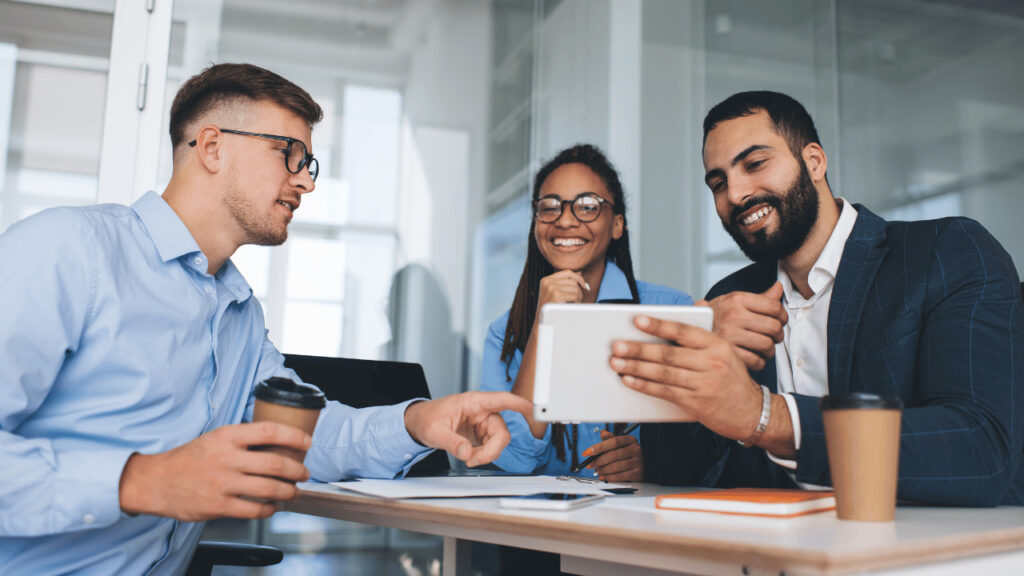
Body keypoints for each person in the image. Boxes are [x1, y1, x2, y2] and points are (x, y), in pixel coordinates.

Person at [0, 63, 531, 575]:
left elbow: (307, 438)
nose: (307, 182)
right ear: (212, 147)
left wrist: (419, 422)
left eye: (309, 164)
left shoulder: (238, 314)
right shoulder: (69, 250)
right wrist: (142, 480)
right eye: (290, 155)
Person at [611, 90, 1024, 506]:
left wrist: (766, 416)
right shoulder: (728, 300)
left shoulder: (944, 253)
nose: (735, 194)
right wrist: (695, 340)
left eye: (755, 164)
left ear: (814, 161)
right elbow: (676, 469)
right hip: (773, 556)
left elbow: (981, 448)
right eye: (718, 183)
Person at [481, 144, 693, 481]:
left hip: (638, 521)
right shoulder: (503, 333)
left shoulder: (673, 312)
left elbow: (705, 449)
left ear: (617, 225)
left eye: (588, 207)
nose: (565, 220)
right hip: (541, 524)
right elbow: (513, 456)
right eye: (549, 207)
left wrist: (652, 461)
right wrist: (544, 324)